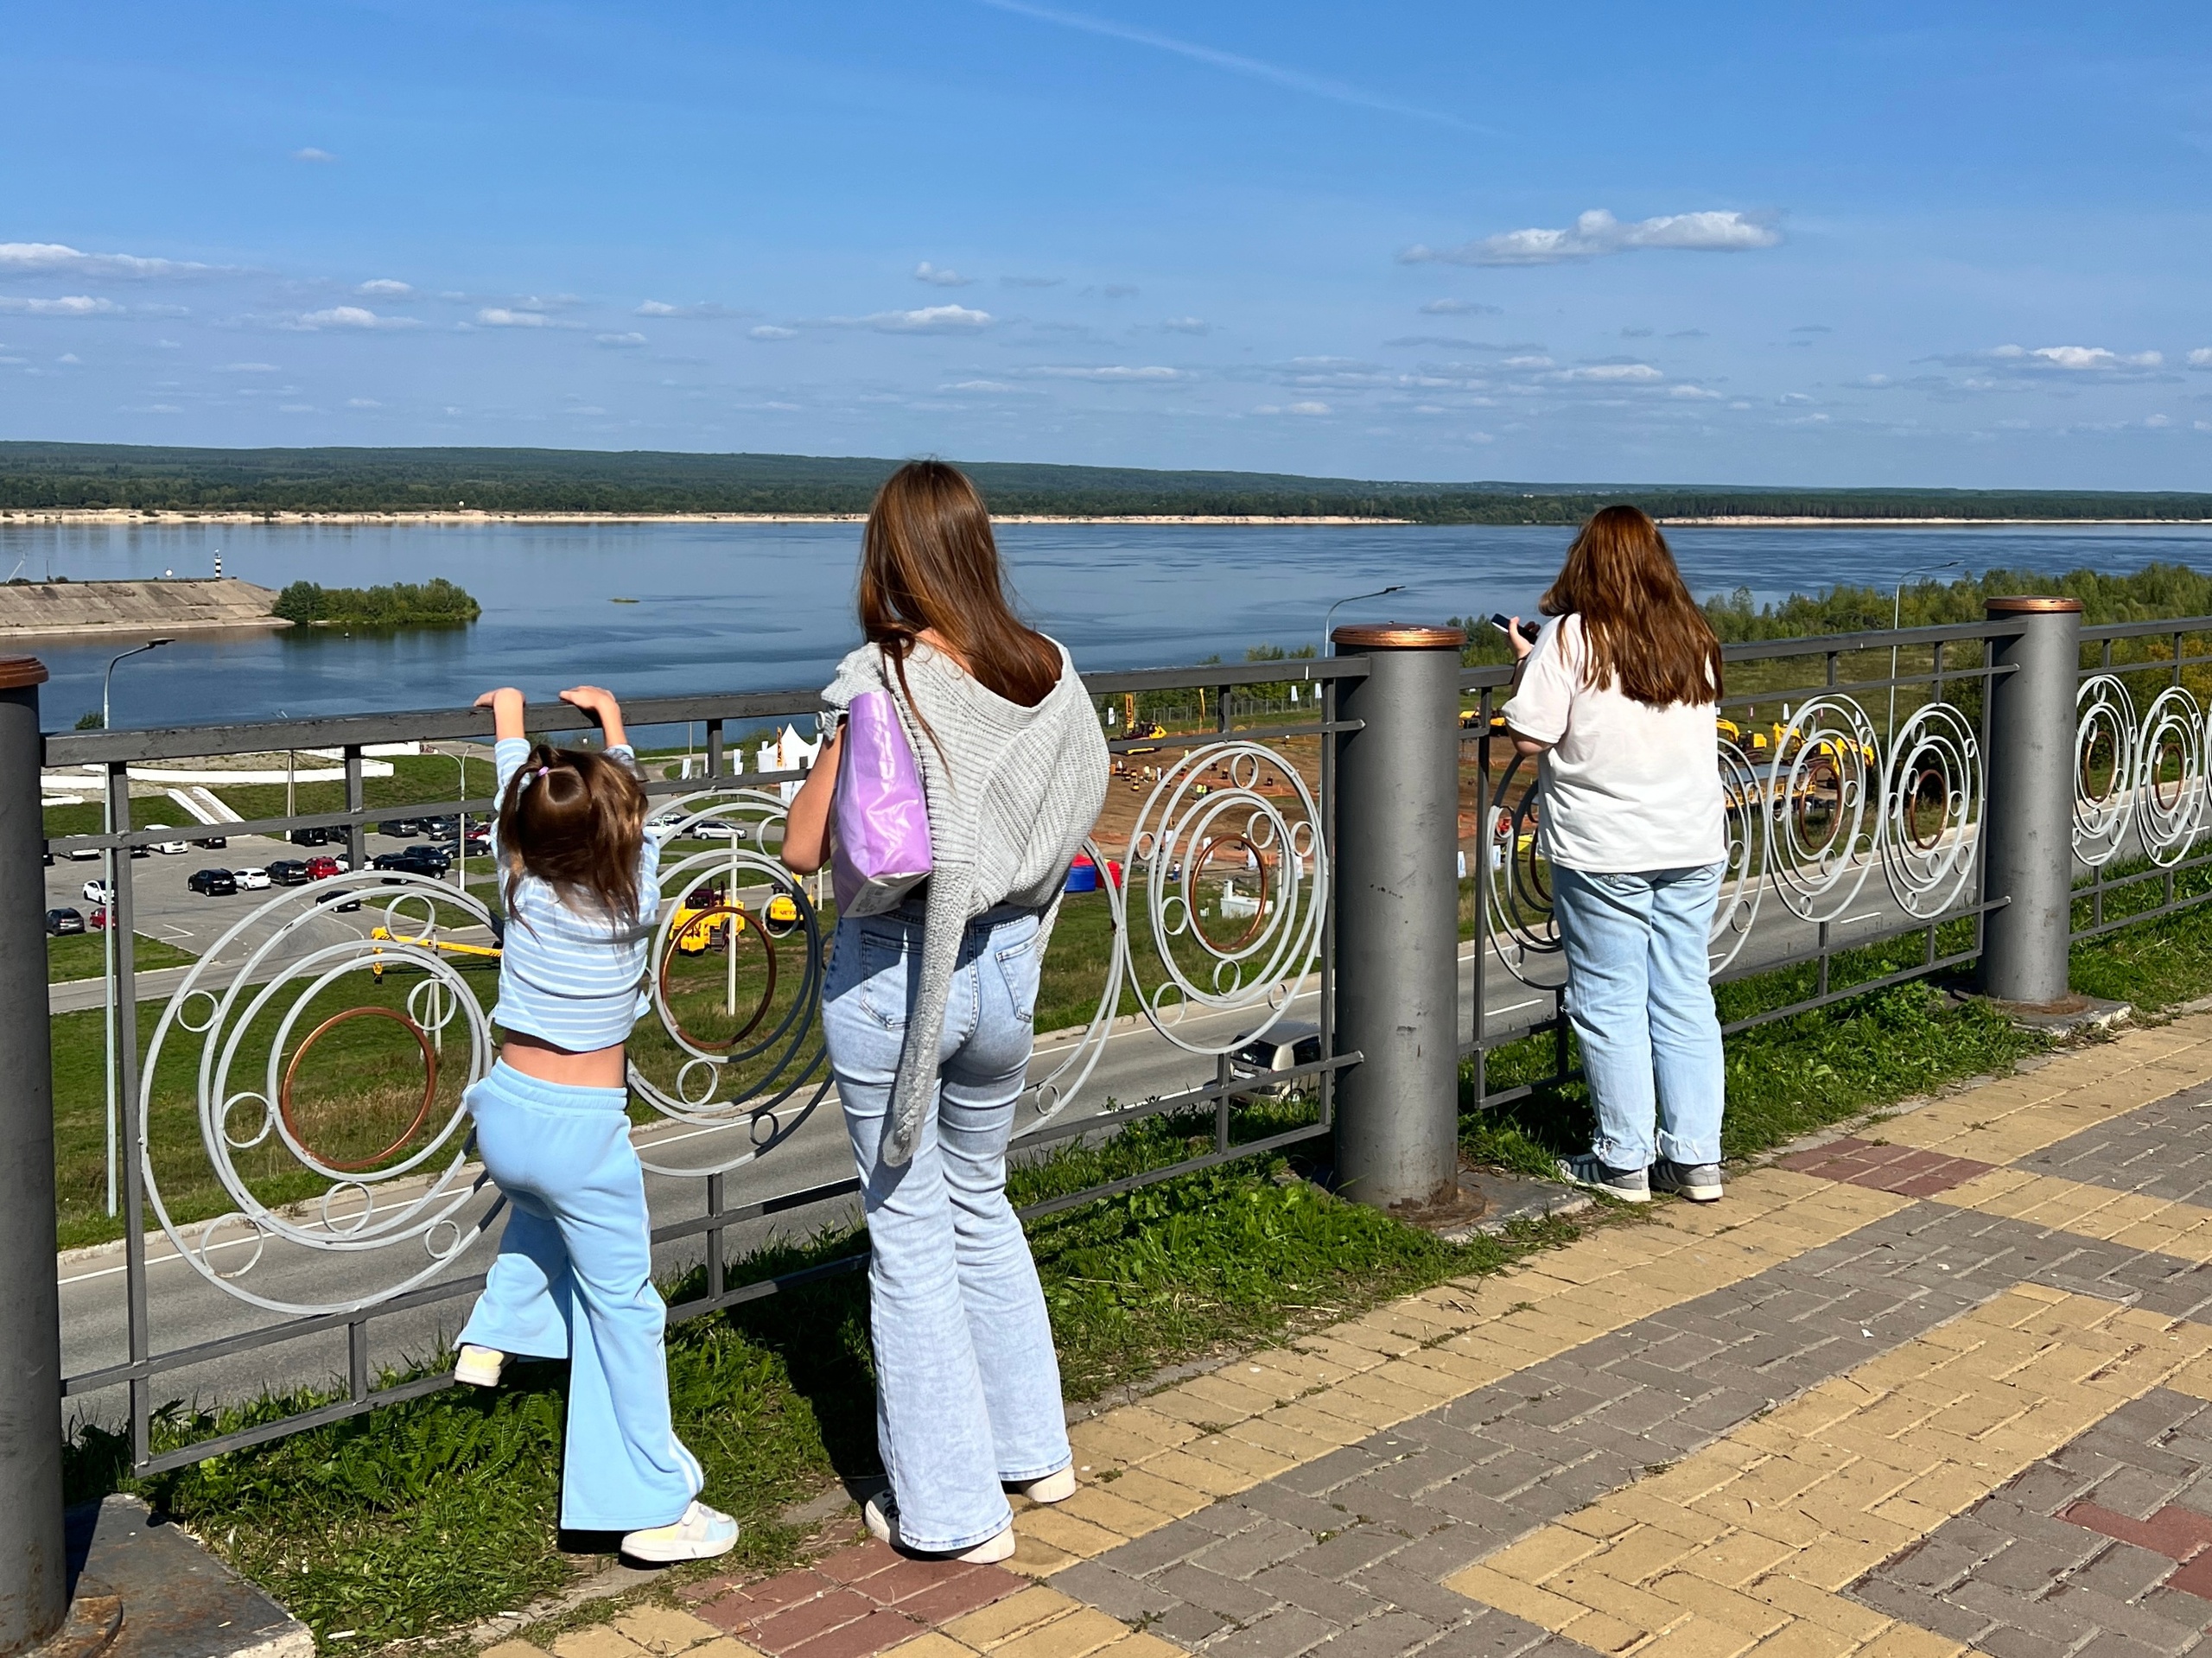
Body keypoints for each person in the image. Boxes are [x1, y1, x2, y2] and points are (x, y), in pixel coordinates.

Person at [783, 461, 1109, 1563]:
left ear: (890, 555)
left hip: (899, 974)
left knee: (908, 1234)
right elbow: (1077, 800)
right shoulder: (1052, 671)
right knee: (983, 1197)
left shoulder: (881, 679)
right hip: (1009, 963)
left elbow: (804, 843)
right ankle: (1035, 1450)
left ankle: (953, 1512)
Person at [452, 683, 738, 1563]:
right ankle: (651, 1503)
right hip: (582, 1128)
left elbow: (515, 798)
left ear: (520, 842)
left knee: (542, 1207)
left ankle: (496, 1329)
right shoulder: (637, 902)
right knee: (626, 1310)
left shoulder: (522, 888)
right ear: (620, 835)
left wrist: (509, 719)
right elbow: (637, 810)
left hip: (503, 1115)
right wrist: (613, 725)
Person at [1498, 505, 1729, 1205]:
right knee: (1685, 994)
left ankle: (1623, 1160)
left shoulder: (1570, 639)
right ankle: (1696, 1161)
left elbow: (1530, 739)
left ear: (1585, 561)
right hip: (1691, 842)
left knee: (1611, 1000)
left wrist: (1527, 663)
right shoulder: (1694, 636)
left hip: (1606, 849)